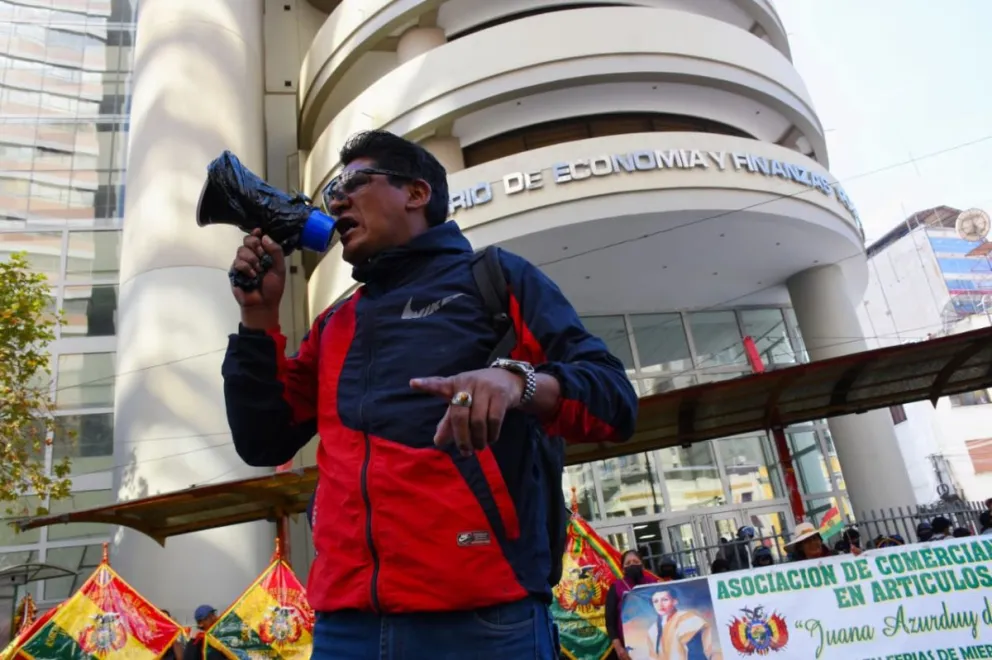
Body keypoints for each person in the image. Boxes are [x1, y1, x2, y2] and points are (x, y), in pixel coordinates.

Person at [222, 130, 638, 659]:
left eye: (352, 183)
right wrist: (258, 318)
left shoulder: (494, 279)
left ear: (416, 194)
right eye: (331, 194)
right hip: (344, 630)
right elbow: (262, 440)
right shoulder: (335, 324)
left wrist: (518, 382)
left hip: (484, 622)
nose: (337, 201)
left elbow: (615, 401)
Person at [606, 550, 658, 660]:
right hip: (629, 650)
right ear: (623, 568)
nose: (632, 565)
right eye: (628, 563)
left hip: (657, 645)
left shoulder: (654, 583)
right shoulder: (616, 587)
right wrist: (619, 648)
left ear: (642, 564)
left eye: (635, 561)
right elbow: (610, 622)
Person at [645, 587, 722, 660]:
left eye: (665, 600)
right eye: (655, 601)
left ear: (675, 601)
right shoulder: (652, 630)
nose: (660, 605)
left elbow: (696, 654)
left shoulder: (687, 619)